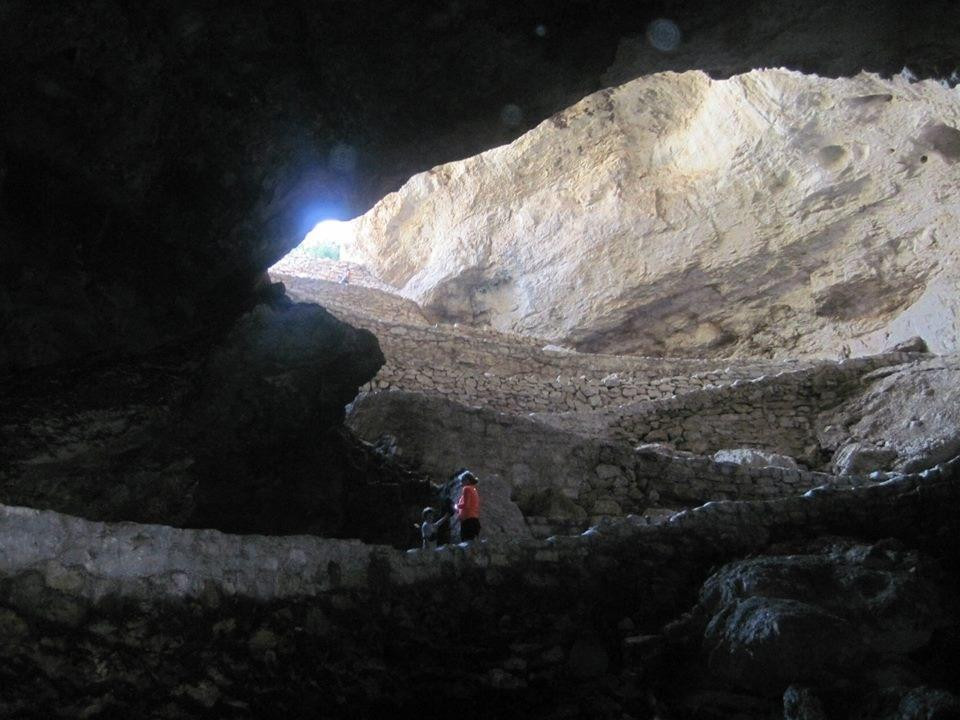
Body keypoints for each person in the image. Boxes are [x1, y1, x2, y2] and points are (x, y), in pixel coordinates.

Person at [455, 471, 481, 541]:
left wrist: (457, 506)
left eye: (463, 480)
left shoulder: (467, 488)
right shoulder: (474, 489)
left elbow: (466, 505)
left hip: (468, 521)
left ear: (467, 480)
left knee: (466, 543)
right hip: (474, 519)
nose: (461, 482)